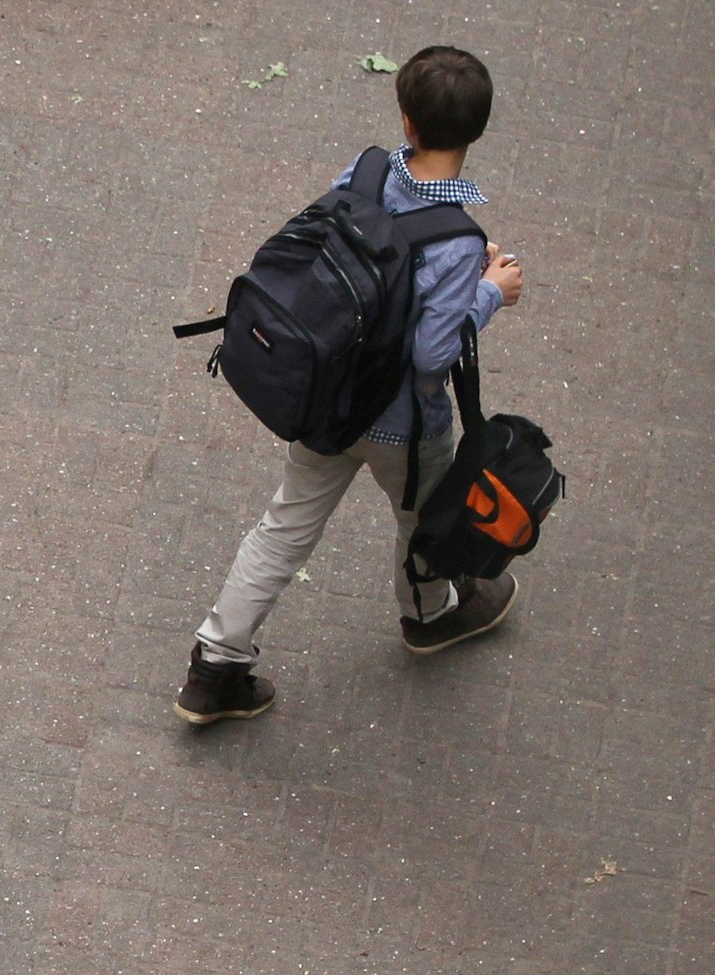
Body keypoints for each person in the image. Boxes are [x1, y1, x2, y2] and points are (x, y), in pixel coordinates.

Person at [176, 45, 526, 724]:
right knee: (421, 521)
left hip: (329, 399)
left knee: (285, 525)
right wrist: (488, 292)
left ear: (406, 119)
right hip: (404, 428)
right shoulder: (458, 241)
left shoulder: (365, 173)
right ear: (478, 131)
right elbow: (431, 354)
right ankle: (428, 614)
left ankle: (215, 664)